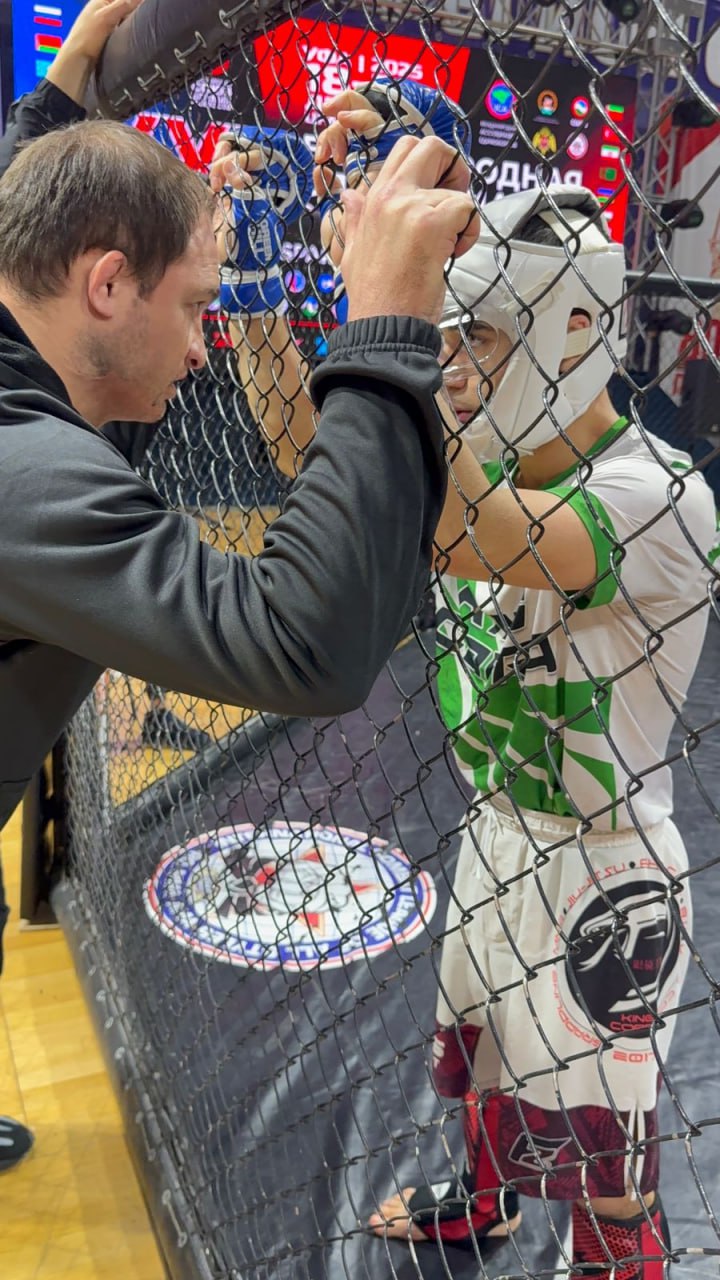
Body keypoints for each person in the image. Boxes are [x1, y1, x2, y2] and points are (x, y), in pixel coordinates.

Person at [225, 83, 718, 1279]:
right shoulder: (474, 443)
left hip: (603, 860)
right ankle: (485, 1204)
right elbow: (311, 451)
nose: (447, 369)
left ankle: (617, 1257)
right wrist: (256, 288)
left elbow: (472, 531)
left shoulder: (662, 495)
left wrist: (378, 308)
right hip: (498, 824)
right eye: (443, 339)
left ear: (573, 334)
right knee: (484, 1054)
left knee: (607, 1137)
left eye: (475, 339)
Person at [0, 40, 482, 1176]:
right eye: (195, 305)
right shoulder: (24, 472)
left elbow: (22, 187)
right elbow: (303, 640)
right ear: (106, 284)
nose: (201, 342)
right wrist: (383, 322)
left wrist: (65, 85)